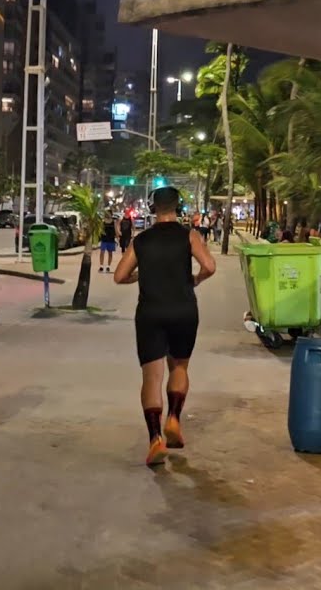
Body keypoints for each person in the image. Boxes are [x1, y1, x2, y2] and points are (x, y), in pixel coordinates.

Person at [114, 187, 216, 467]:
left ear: (153, 208)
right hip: (184, 310)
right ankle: (174, 419)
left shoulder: (142, 240)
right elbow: (210, 266)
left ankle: (155, 439)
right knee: (180, 367)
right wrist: (196, 279)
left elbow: (119, 276)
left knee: (152, 378)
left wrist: (139, 277)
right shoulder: (189, 235)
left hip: (150, 313)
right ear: (178, 207)